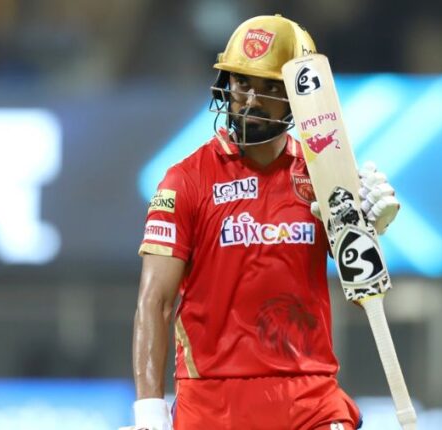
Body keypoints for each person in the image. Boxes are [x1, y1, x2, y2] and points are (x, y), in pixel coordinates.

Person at [130, 14, 399, 430]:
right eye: (242, 82)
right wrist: (149, 411)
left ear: (297, 97)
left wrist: (368, 227)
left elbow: (359, 279)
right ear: (226, 85)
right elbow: (155, 301)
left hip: (308, 395)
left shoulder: (324, 175)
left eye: (270, 87)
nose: (252, 99)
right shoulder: (184, 181)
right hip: (213, 400)